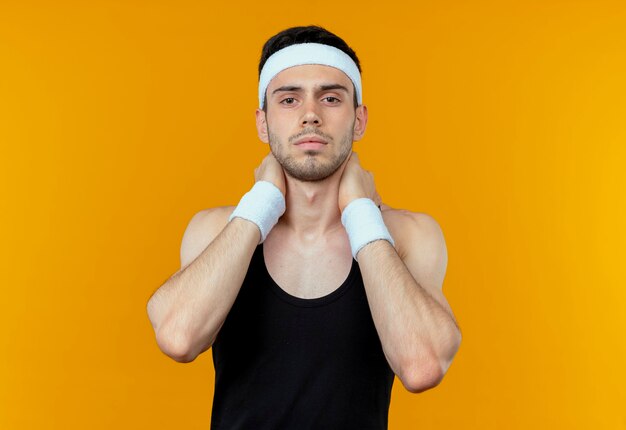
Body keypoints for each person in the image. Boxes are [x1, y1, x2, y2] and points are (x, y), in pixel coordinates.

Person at [147, 25, 462, 429]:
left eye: (331, 98)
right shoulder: (214, 230)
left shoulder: (409, 235)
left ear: (359, 119)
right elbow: (178, 338)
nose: (310, 113)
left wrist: (362, 215)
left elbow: (422, 366)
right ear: (263, 123)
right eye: (289, 99)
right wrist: (260, 204)